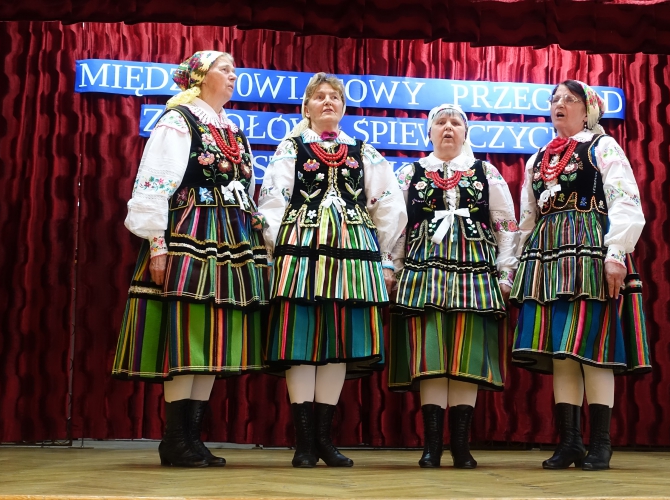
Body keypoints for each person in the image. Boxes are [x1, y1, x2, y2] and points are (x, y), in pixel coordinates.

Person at [112, 51, 270, 468]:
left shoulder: (233, 130)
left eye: (234, 70)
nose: (233, 75)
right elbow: (154, 183)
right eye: (224, 69)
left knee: (211, 334)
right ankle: (175, 439)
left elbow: (245, 189)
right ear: (199, 76)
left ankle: (191, 438)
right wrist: (157, 245)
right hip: (191, 231)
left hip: (230, 237)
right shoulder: (178, 121)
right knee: (189, 332)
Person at [258, 72, 407, 468]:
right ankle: (304, 442)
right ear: (306, 107)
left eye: (335, 97)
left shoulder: (363, 150)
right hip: (301, 251)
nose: (328, 102)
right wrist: (276, 251)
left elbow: (389, 203)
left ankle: (324, 439)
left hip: (353, 254)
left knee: (339, 342)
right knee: (301, 340)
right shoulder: (291, 148)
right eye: (320, 96)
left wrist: (382, 253)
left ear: (343, 106)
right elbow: (273, 201)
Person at [511, 80, 651, 471]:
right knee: (562, 352)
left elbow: (624, 198)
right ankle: (570, 442)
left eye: (569, 99)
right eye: (555, 99)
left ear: (588, 109)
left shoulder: (602, 146)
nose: (559, 104)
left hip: (589, 249)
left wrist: (616, 253)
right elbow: (527, 219)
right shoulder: (538, 158)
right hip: (547, 256)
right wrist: (517, 265)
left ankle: (601, 443)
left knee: (594, 347)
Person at [388, 104, 519, 468]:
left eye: (456, 123)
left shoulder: (486, 172)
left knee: (467, 353)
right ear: (429, 132)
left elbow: (505, 226)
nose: (448, 127)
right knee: (430, 354)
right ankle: (431, 445)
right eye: (441, 123)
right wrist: (392, 267)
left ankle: (461, 445)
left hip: (474, 270)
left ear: (465, 132)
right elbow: (397, 226)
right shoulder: (409, 173)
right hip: (423, 270)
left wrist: (505, 272)